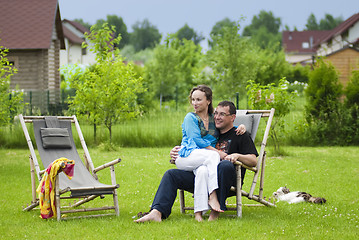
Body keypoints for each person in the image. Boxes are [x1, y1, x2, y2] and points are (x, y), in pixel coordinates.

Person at [134, 101, 257, 223]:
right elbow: (193, 144)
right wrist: (177, 152)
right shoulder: (211, 133)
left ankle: (216, 210)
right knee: (171, 174)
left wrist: (237, 155)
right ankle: (157, 212)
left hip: (226, 181)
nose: (217, 117)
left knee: (224, 165)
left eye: (222, 114)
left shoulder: (240, 134)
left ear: (233, 117)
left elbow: (253, 160)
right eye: (216, 113)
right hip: (201, 178)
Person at [175, 85, 225, 221]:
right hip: (187, 156)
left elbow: (229, 126)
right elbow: (196, 139)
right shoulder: (190, 118)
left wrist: (241, 127)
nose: (194, 103)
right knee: (214, 155)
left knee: (203, 172)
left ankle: (198, 213)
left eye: (198, 99)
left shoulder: (214, 118)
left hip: (203, 159)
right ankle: (213, 195)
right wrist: (217, 152)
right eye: (193, 100)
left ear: (208, 101)